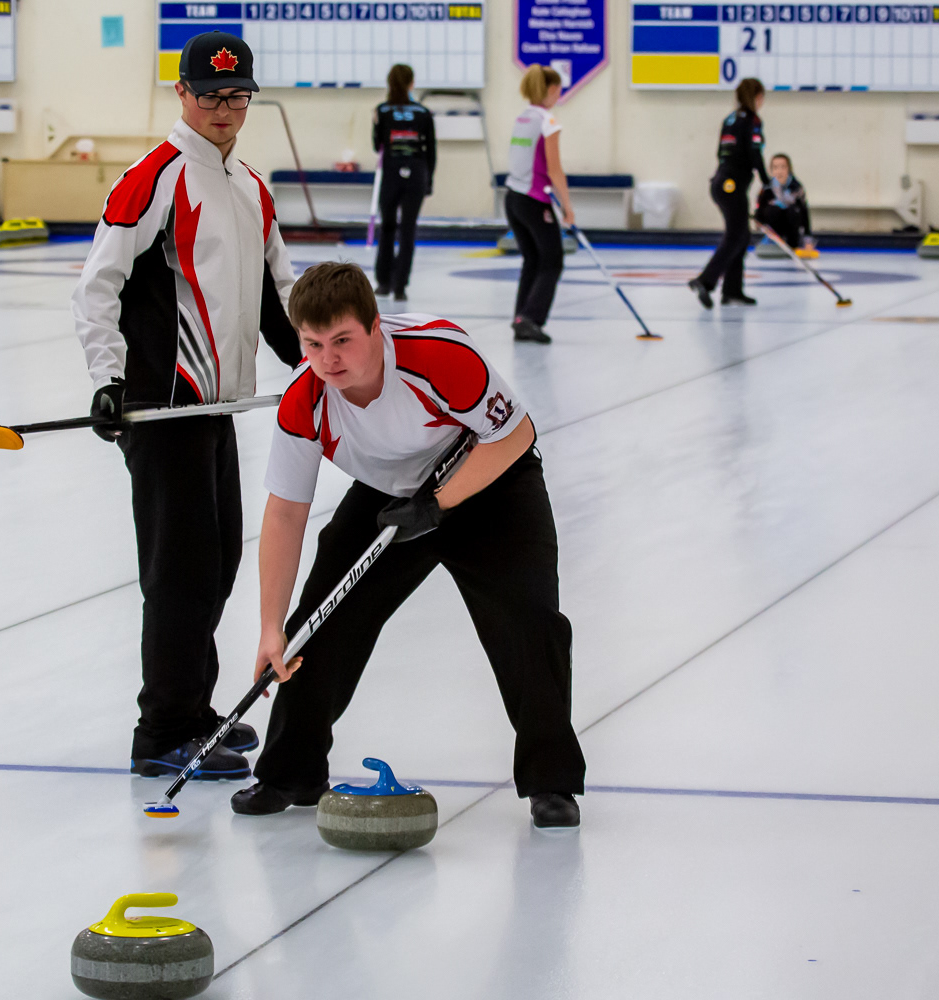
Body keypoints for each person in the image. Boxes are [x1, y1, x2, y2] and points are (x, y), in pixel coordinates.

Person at [228, 262, 586, 829]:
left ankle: (552, 782)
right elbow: (286, 513)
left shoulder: (438, 354)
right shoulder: (305, 398)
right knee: (318, 625)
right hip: (390, 494)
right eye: (313, 344)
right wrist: (271, 628)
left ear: (375, 326)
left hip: (490, 481)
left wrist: (437, 504)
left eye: (342, 340)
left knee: (529, 621)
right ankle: (289, 773)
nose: (328, 359)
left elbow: (516, 434)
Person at [73, 31, 302, 781]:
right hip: (162, 409)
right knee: (177, 573)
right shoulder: (154, 178)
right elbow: (97, 286)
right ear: (182, 93)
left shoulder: (250, 186)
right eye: (210, 95)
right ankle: (162, 731)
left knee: (216, 562)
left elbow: (277, 296)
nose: (224, 110)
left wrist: (314, 367)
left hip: (216, 408)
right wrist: (108, 378)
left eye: (237, 97)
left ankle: (194, 709)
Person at [505, 64, 573, 345]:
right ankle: (531, 318)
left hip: (513, 198)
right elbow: (554, 169)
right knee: (552, 260)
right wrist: (568, 207)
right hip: (534, 201)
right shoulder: (548, 121)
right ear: (552, 89)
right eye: (558, 91)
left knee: (532, 259)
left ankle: (521, 318)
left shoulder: (522, 117)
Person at [689, 78, 769, 309]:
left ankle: (732, 291)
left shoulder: (730, 119)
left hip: (720, 183)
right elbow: (755, 154)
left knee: (741, 236)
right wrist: (766, 182)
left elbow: (720, 153)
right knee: (736, 236)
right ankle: (705, 281)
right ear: (757, 97)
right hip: (732, 186)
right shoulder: (752, 120)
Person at [371, 63, 436, 302]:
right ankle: (400, 286)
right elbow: (431, 150)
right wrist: (429, 180)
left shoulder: (382, 110)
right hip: (417, 173)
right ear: (411, 83)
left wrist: (378, 125)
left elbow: (376, 144)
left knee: (387, 227)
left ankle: (383, 282)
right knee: (408, 230)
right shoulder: (423, 112)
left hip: (391, 172)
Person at [754, 152, 814, 251]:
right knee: (772, 210)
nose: (779, 171)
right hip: (773, 231)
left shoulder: (796, 188)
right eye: (775, 168)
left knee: (793, 210)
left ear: (789, 169)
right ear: (771, 170)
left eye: (783, 167)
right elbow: (759, 214)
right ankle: (772, 241)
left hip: (792, 230)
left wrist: (808, 240)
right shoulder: (766, 189)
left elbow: (804, 213)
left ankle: (792, 243)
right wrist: (762, 227)